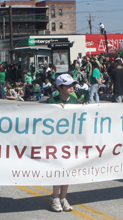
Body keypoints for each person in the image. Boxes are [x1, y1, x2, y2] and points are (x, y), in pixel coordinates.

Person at [47, 74, 79, 212]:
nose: (72, 88)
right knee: (58, 169)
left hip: (70, 140)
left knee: (67, 169)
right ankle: (55, 196)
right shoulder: (52, 101)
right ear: (60, 87)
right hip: (56, 141)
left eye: (73, 85)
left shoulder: (74, 100)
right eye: (68, 86)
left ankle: (63, 197)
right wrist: (55, 108)